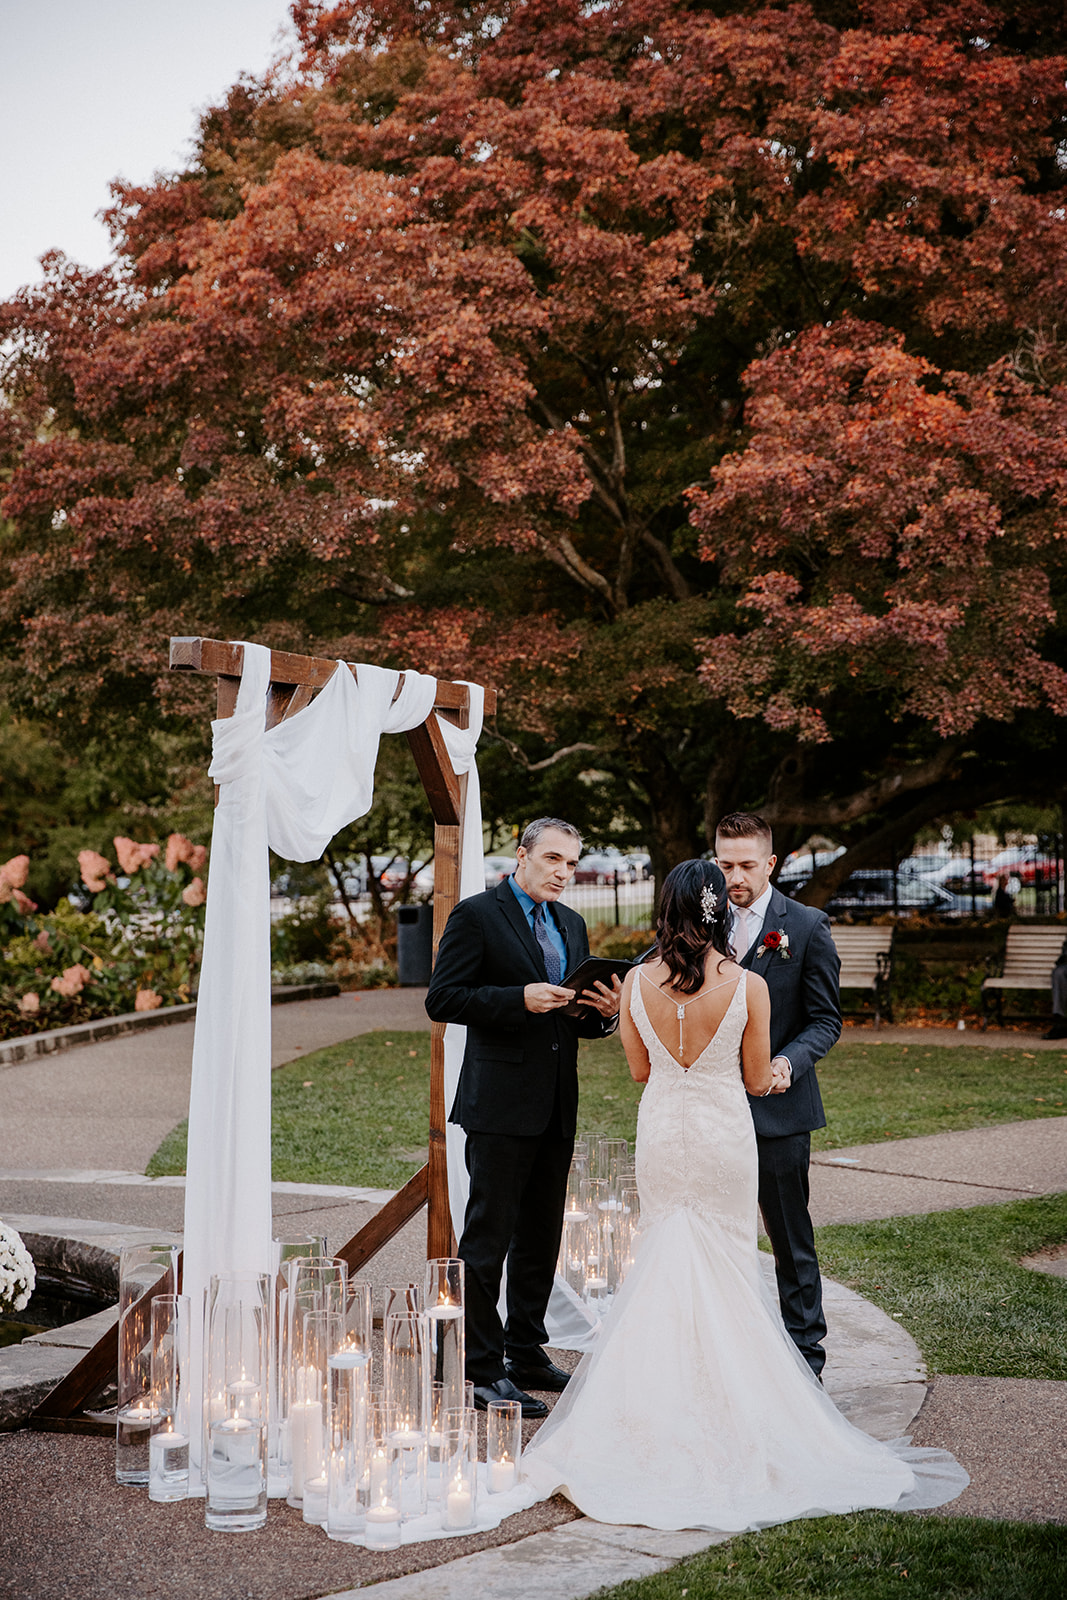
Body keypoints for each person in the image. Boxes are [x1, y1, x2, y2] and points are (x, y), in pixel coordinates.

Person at [517, 860, 968, 1531]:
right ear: (719, 916)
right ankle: (732, 1413)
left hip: (664, 1137)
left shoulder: (636, 982)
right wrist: (773, 1072)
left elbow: (642, 1071)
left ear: (667, 914)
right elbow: (757, 1078)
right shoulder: (749, 986)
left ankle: (651, 1419)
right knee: (725, 1266)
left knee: (664, 1264)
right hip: (724, 1137)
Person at [424, 817, 621, 1417]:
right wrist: (518, 999)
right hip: (499, 1105)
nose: (563, 872)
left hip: (557, 1101)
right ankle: (478, 1369)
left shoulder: (572, 924)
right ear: (522, 855)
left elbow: (574, 1017)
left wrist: (605, 1013)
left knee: (541, 1236)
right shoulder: (478, 915)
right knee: (489, 1237)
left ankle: (525, 1351)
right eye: (553, 859)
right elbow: (443, 998)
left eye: (572, 862)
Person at [712, 813, 840, 1378]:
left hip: (781, 1110)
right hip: (711, 1109)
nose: (733, 876)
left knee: (790, 1236)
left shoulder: (807, 926)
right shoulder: (701, 922)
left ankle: (806, 1356)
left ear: (770, 863)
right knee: (714, 1234)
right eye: (723, 864)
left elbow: (825, 1020)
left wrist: (788, 1061)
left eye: (744, 865)